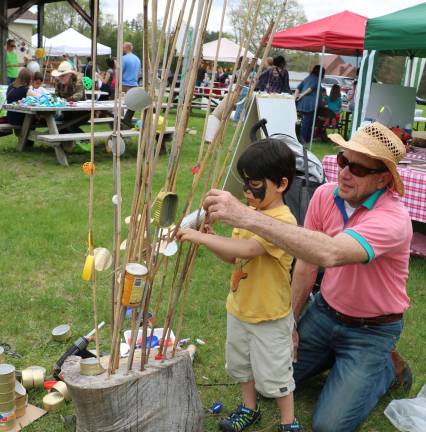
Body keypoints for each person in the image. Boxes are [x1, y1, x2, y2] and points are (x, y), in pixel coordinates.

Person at [202, 122, 412, 432]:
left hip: (371, 331)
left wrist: (247, 217)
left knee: (328, 425)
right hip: (325, 313)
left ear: (383, 178)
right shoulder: (326, 195)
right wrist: (292, 322)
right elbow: (306, 265)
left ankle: (383, 368)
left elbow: (328, 253)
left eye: (357, 168)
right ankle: (334, 359)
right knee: (267, 382)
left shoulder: (392, 220)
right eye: (342, 160)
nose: (344, 172)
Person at [177, 139, 302, 432]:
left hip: (270, 316)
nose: (247, 191)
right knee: (240, 366)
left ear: (281, 184)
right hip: (239, 309)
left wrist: (199, 237)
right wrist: (210, 239)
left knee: (276, 375)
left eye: (255, 183)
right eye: (244, 182)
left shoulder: (282, 222)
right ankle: (249, 408)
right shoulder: (248, 214)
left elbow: (250, 251)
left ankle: (288, 421)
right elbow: (234, 256)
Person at [294, 65, 325, 143]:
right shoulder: (317, 79)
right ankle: (303, 140)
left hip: (303, 104)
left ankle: (306, 139)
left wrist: (295, 98)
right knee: (307, 123)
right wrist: (302, 95)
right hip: (311, 105)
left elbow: (298, 87)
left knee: (307, 122)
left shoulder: (307, 78)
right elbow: (310, 89)